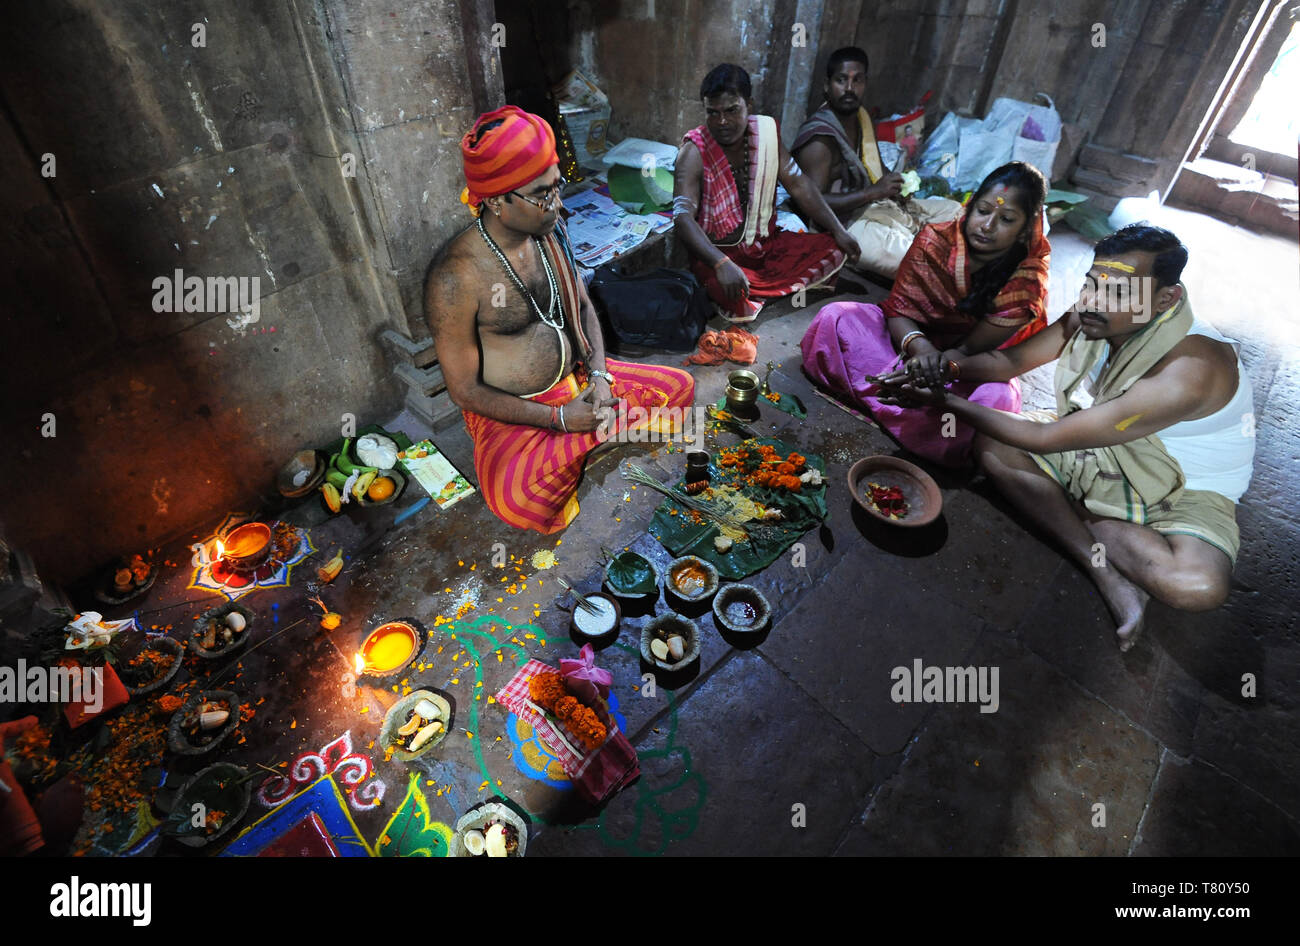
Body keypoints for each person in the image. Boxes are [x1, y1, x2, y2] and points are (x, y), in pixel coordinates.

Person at [877, 225, 1254, 651]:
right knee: (992, 444)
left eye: (1118, 293)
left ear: (1167, 299)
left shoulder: (1189, 370)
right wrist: (941, 370)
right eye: (1091, 285)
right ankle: (1102, 568)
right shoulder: (1092, 315)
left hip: (1187, 488)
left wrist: (944, 402)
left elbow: (1048, 436)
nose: (1093, 302)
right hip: (1101, 444)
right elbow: (1010, 362)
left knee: (1196, 588)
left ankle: (1070, 510)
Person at [426, 105, 696, 534]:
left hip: (579, 378)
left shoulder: (550, 228)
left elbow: (585, 307)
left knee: (681, 389)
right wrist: (560, 420)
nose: (555, 204)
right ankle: (585, 434)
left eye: (557, 186)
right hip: (517, 409)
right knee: (518, 503)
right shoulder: (455, 276)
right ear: (496, 200)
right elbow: (465, 391)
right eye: (541, 194)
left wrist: (602, 378)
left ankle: (585, 434)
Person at [801, 161, 1050, 467]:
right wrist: (920, 349)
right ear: (970, 207)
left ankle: (885, 396)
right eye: (984, 211)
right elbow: (898, 309)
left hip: (965, 369)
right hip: (908, 343)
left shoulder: (1026, 280)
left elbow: (972, 350)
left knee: (996, 400)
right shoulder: (935, 240)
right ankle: (907, 412)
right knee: (835, 318)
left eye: (1006, 219)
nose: (987, 225)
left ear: (1025, 227)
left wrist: (933, 370)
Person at [673, 63, 861, 323]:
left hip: (766, 247)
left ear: (748, 105)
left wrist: (838, 228)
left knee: (834, 247)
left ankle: (763, 292)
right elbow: (683, 217)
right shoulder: (693, 152)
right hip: (720, 256)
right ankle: (762, 291)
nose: (722, 122)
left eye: (731, 110)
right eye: (712, 113)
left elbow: (798, 184)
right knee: (735, 301)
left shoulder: (766, 134)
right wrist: (720, 264)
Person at [790, 47, 963, 278]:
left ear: (865, 83)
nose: (849, 88)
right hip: (842, 226)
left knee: (956, 212)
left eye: (857, 80)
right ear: (826, 85)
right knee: (920, 261)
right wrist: (872, 193)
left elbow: (876, 170)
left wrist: (896, 188)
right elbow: (811, 202)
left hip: (874, 207)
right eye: (841, 80)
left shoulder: (861, 118)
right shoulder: (820, 139)